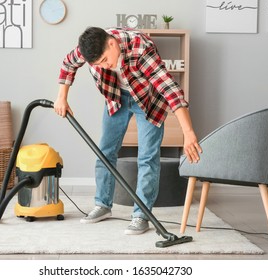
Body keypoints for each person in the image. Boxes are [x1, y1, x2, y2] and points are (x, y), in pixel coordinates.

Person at [54, 27, 201, 235]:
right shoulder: (88, 49)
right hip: (117, 97)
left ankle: (141, 215)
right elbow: (68, 63)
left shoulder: (141, 49)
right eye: (99, 64)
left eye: (105, 59)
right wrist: (62, 97)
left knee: (147, 158)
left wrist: (188, 132)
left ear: (112, 44)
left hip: (148, 100)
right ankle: (103, 205)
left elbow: (170, 89)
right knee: (104, 153)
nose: (105, 66)